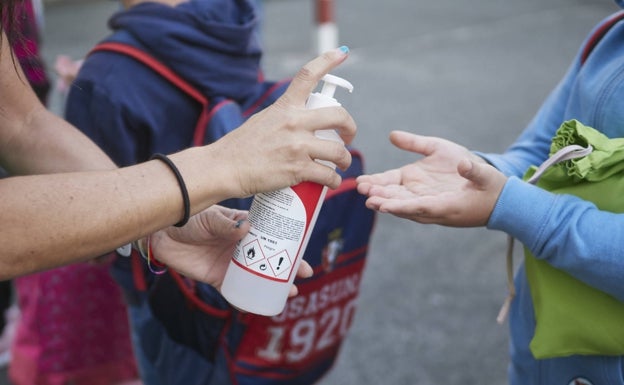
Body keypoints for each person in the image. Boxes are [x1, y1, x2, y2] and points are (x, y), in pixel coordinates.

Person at [58, 1, 374, 384]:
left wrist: (88, 92)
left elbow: (86, 209)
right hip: (225, 243)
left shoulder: (107, 73)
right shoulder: (234, 24)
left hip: (165, 286)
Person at [357, 3, 624, 385]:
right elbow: (541, 153)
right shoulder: (611, 34)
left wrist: (510, 205)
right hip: (541, 360)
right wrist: (478, 172)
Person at [0, 0, 355, 282]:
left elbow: (20, 122)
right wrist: (219, 166)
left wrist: (153, 225)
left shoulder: (107, 72)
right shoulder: (236, 24)